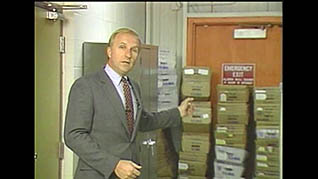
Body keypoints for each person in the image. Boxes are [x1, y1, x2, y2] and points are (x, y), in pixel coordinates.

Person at [64, 27, 194, 179]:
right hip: (97, 174)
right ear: (109, 51)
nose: (128, 55)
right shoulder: (86, 86)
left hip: (129, 174)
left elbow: (143, 121)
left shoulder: (133, 86)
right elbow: (73, 135)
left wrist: (178, 112)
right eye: (122, 47)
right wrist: (114, 164)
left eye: (134, 50)